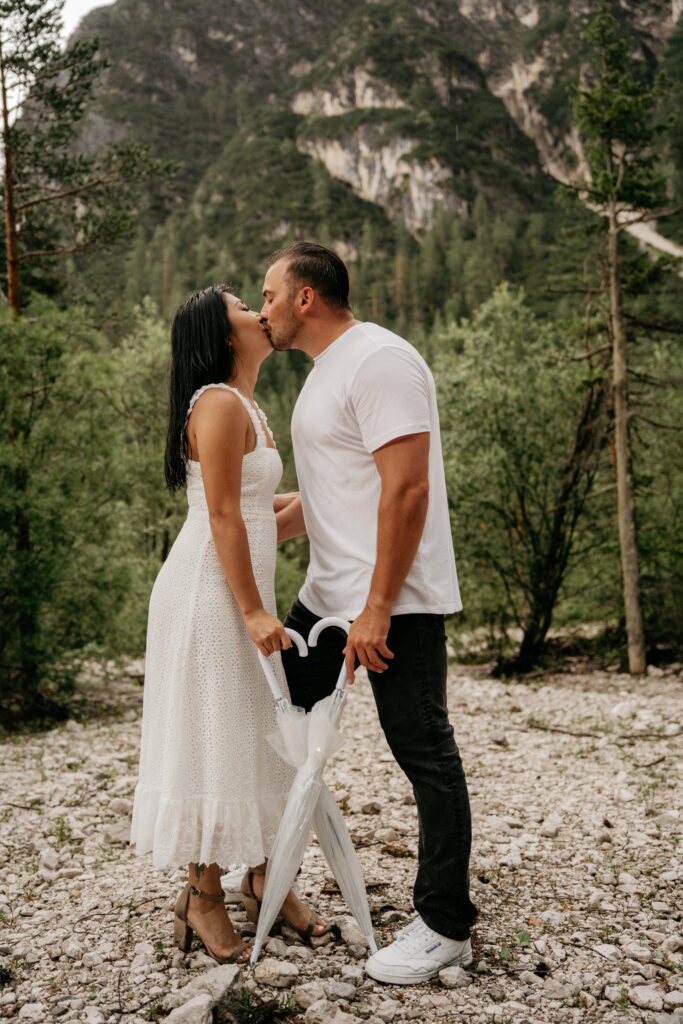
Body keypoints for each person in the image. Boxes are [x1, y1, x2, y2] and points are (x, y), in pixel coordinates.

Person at [260, 242, 478, 985]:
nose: (262, 311)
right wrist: (223, 526)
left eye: (268, 296)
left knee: (423, 752)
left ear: (305, 299)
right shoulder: (325, 375)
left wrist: (379, 605)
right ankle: (265, 872)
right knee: (270, 724)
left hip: (391, 604)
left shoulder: (380, 360)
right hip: (326, 596)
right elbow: (327, 503)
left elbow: (406, 490)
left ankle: (445, 924)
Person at [130, 285, 328, 964]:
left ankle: (265, 877)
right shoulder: (215, 403)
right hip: (207, 595)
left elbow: (254, 511)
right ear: (221, 333)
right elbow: (220, 516)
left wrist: (332, 495)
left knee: (257, 735)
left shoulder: (247, 406)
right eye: (245, 306)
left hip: (235, 588)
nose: (259, 312)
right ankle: (202, 894)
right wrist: (251, 609)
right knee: (212, 734)